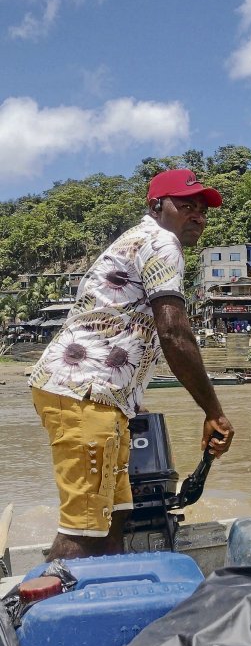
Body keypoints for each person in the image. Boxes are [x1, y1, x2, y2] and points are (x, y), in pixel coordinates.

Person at [29, 168, 234, 560]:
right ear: (157, 206)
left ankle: (107, 604)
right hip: (86, 392)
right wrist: (213, 412)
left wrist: (130, 399)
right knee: (84, 530)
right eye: (186, 206)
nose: (198, 217)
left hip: (97, 395)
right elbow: (174, 333)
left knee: (114, 520)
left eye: (203, 210)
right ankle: (26, 612)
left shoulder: (139, 240)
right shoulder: (162, 243)